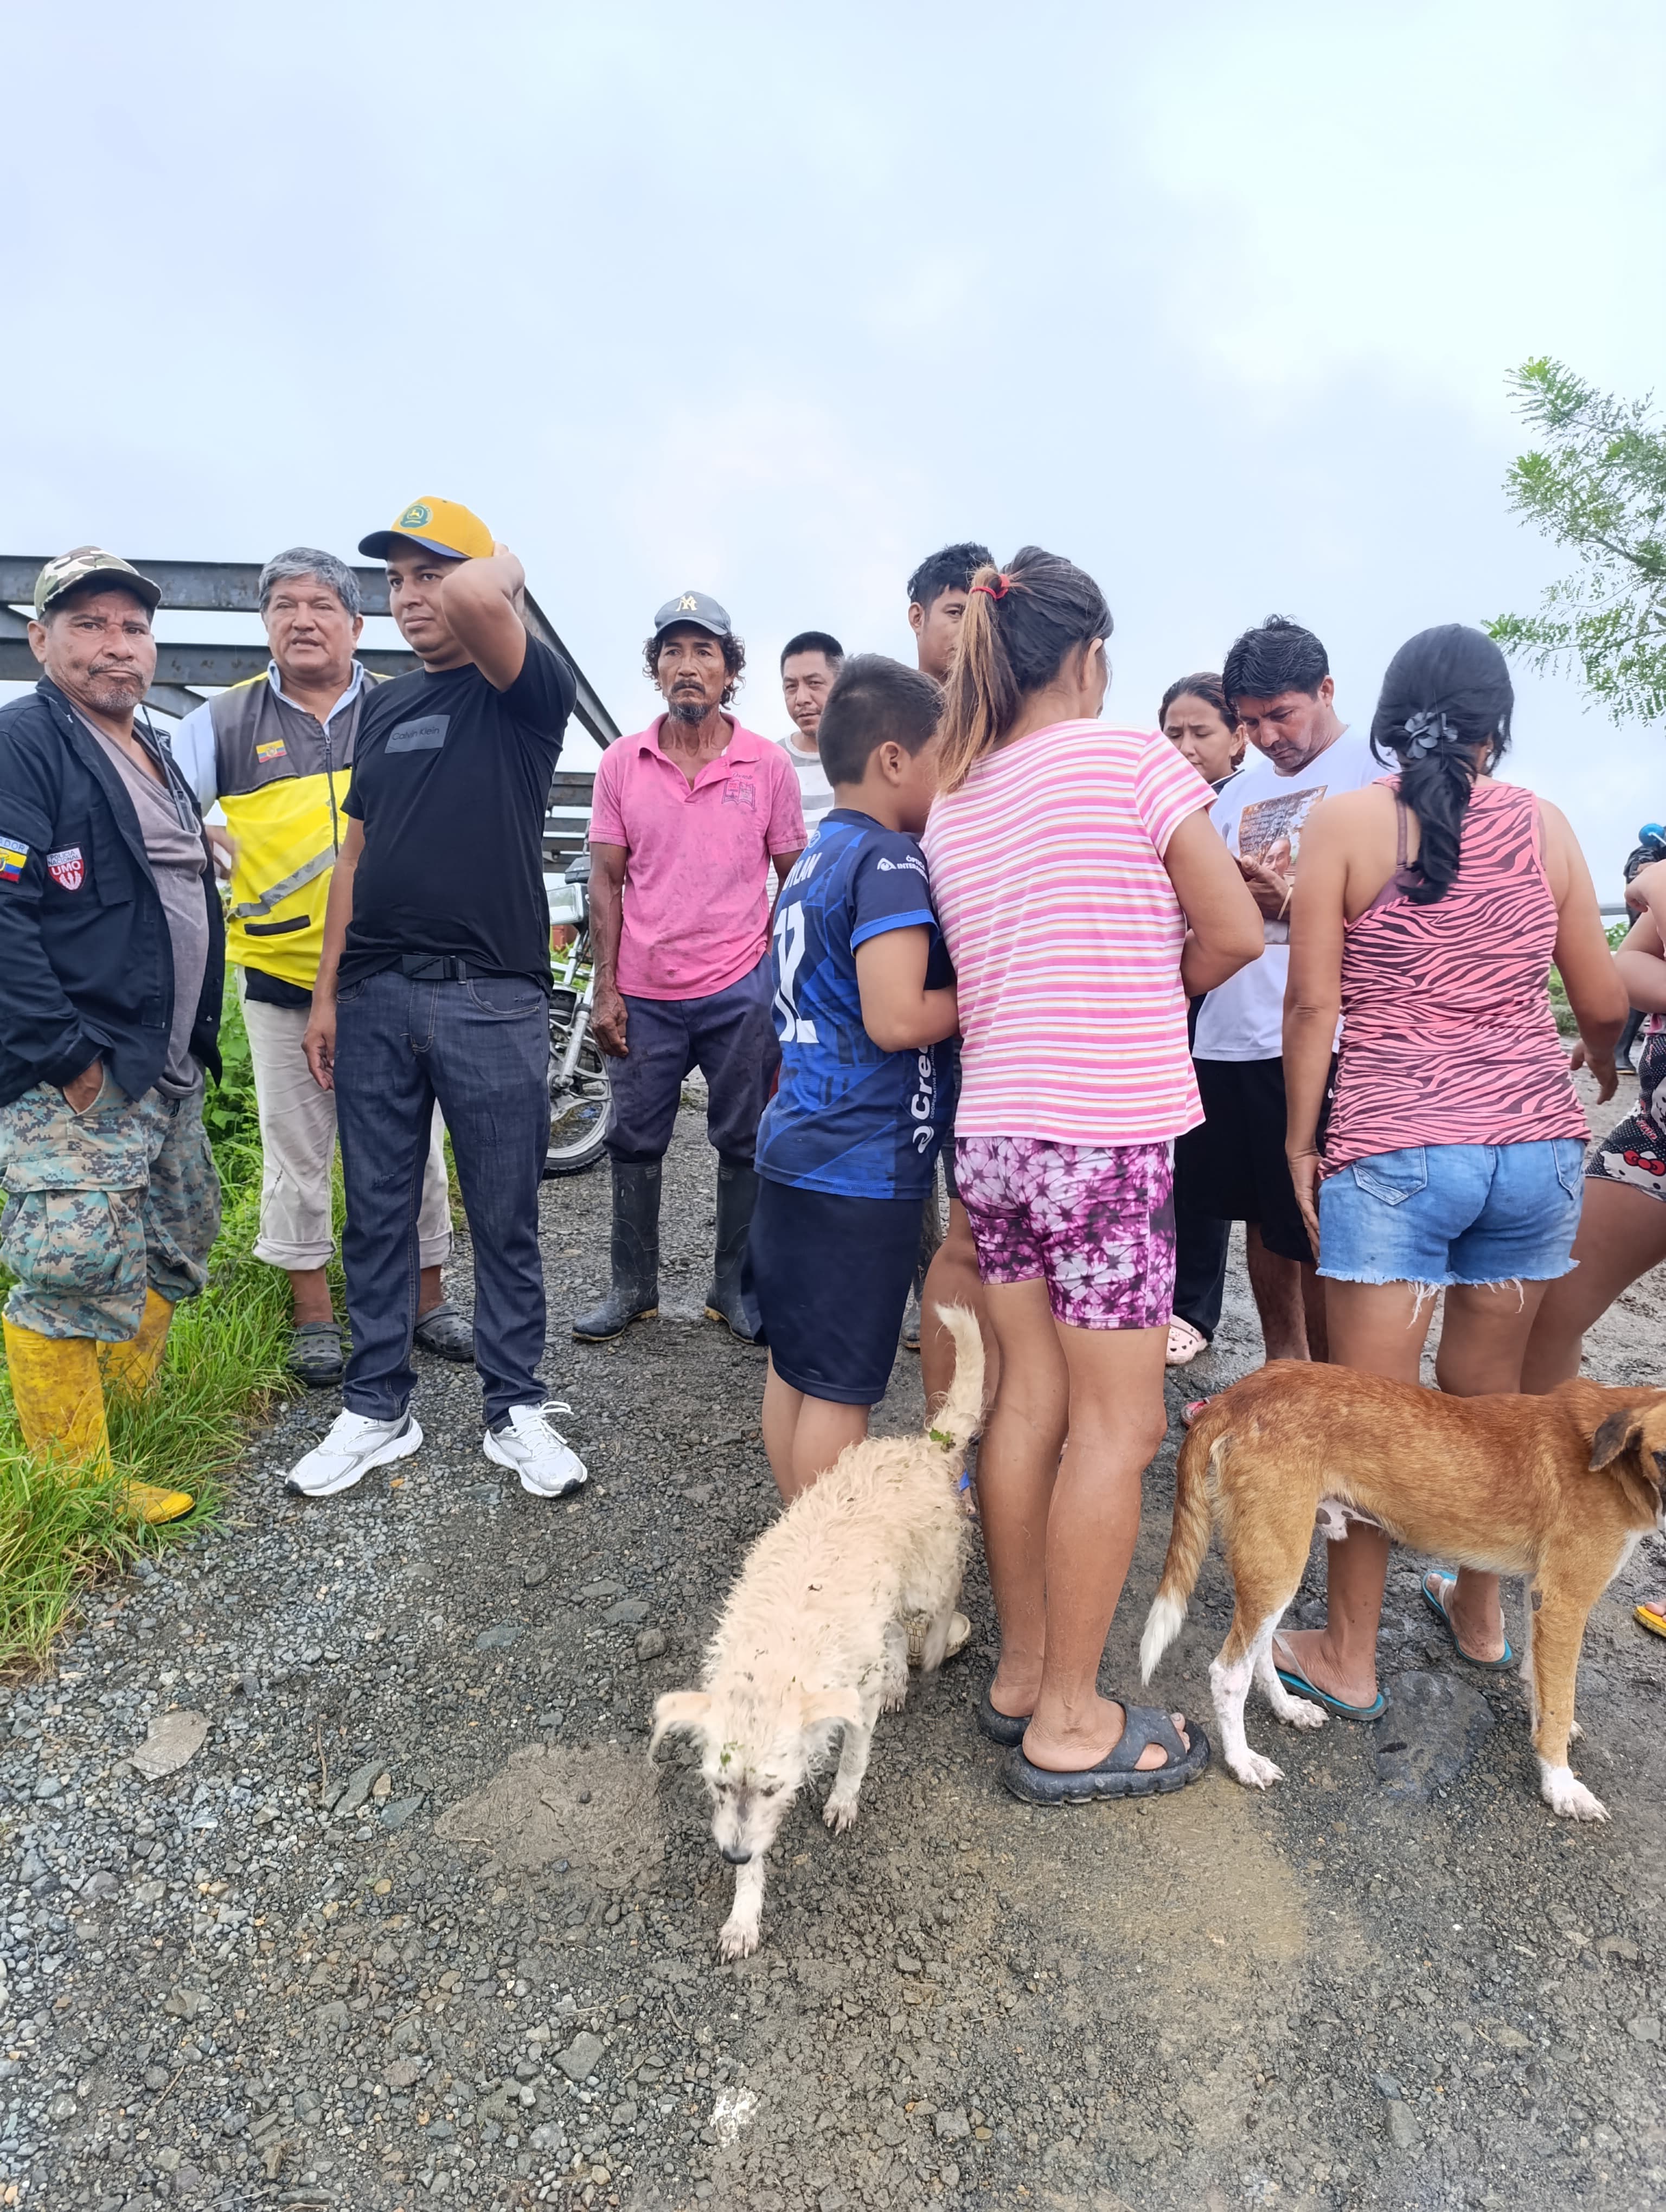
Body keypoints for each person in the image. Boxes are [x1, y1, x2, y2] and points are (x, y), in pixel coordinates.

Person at [921, 547, 1263, 1802]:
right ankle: (1072, 1718)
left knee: (1026, 1403)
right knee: (1118, 1426)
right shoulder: (1132, 761)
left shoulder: (956, 795)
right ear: (1088, 655)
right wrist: (1145, 986)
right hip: (1101, 1137)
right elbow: (1232, 931)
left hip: (997, 1137)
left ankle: (1025, 1676)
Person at [1277, 624, 1625, 1718]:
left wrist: (1299, 1139)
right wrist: (1597, 1064)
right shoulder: (1547, 825)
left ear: (1390, 717)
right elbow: (1601, 998)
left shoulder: (1343, 823)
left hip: (1396, 1147)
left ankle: (1347, 1654)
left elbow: (1314, 1005)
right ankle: (1479, 1619)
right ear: (1494, 724)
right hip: (1532, 1153)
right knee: (1496, 1408)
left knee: (1371, 1422)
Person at [285, 498, 587, 1502]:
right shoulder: (384, 709)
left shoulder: (522, 689)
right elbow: (354, 858)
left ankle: (515, 1407)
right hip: (375, 995)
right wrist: (326, 994)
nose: (412, 597)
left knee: (504, 1211)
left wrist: (499, 560)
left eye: (432, 574)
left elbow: (483, 597)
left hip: (490, 996)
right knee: (376, 1213)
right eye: (397, 581)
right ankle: (378, 1407)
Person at [171, 549, 466, 1386]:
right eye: (284, 606)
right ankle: (314, 1316)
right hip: (281, 981)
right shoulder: (222, 723)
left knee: (417, 1147)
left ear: (356, 624)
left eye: (321, 605)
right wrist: (196, 831)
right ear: (265, 623)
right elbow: (152, 807)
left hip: (391, 973)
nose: (302, 620)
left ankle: (429, 1299)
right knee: (295, 1150)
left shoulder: (402, 706)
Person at [0, 549, 226, 1525]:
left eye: (133, 627)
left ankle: (130, 1416)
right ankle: (72, 1486)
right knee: (71, 1262)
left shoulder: (155, 750)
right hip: (82, 1067)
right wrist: (69, 1059)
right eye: (88, 624)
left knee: (180, 1236)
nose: (116, 645)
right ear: (40, 639)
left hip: (164, 1064)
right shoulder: (25, 742)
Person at [752, 654, 958, 1499]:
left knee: (795, 1366)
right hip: (859, 1169)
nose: (954, 778)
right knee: (841, 1388)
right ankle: (827, 1564)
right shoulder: (890, 859)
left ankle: (795, 1541)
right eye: (946, 757)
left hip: (795, 1149)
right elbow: (898, 1018)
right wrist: (994, 985)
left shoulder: (814, 858)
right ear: (894, 759)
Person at [574, 593, 805, 1345]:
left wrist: (772, 973)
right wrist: (606, 989)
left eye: (704, 651)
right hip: (644, 991)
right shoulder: (623, 762)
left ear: (729, 671)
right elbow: (605, 880)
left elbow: (794, 875)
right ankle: (632, 1288)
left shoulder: (767, 764)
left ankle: (731, 1290)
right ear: (656, 669)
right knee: (634, 1140)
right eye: (672, 651)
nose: (687, 665)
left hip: (739, 987)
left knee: (745, 1139)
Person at [1177, 614, 1382, 1368]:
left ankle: (1332, 1391)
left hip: (1329, 1037)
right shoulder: (1234, 795)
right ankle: (1283, 1374)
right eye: (1251, 722)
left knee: (1325, 1219)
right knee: (1262, 1219)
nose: (1267, 737)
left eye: (1282, 715)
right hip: (1232, 1031)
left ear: (1326, 689)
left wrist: (1293, 905)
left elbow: (1408, 919)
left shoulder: (1377, 773)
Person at [1523, 858, 1666, 1641]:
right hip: (1657, 1137)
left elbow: (1652, 896)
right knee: (1550, 1308)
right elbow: (1627, 965)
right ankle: (1544, 1506)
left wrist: (1661, 883)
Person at [905, 542, 995, 1391]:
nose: (972, 631)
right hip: (907, 985)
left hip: (988, 995)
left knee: (978, 1210)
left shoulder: (1007, 716)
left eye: (985, 612)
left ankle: (993, 1378)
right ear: (919, 618)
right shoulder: (896, 714)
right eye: (958, 612)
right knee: (907, 1182)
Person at [1159, 672, 1246, 1369]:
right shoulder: (1157, 803)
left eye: (1201, 732)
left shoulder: (1250, 805)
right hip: (1170, 1001)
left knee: (1204, 1158)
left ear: (1238, 737)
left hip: (1227, 998)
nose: (1185, 747)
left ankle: (1193, 1307)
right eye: (1172, 733)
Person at [777, 630, 843, 834]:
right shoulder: (772, 763)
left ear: (843, 685)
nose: (802, 699)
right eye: (791, 687)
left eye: (814, 683)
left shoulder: (874, 755)